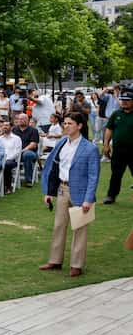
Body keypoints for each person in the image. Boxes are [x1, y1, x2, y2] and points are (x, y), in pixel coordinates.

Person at [39, 113, 100, 277]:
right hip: (61, 189)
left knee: (80, 229)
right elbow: (53, 168)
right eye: (64, 123)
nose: (66, 126)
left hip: (81, 193)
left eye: (70, 123)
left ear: (79, 126)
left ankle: (76, 265)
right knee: (59, 226)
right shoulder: (61, 143)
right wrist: (49, 192)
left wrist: (88, 199)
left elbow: (94, 176)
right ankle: (55, 261)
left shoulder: (90, 148)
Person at [102, 89, 133, 204]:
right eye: (122, 100)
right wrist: (106, 145)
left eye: (127, 100)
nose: (124, 102)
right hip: (119, 151)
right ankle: (111, 196)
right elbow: (109, 129)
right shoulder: (116, 114)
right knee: (116, 174)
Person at [13, 113, 40, 187]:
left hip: (30, 152)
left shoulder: (33, 130)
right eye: (19, 119)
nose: (20, 120)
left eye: (22, 119)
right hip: (15, 153)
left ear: (27, 120)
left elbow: (33, 144)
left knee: (27, 155)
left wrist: (22, 150)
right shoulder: (14, 130)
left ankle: (28, 180)